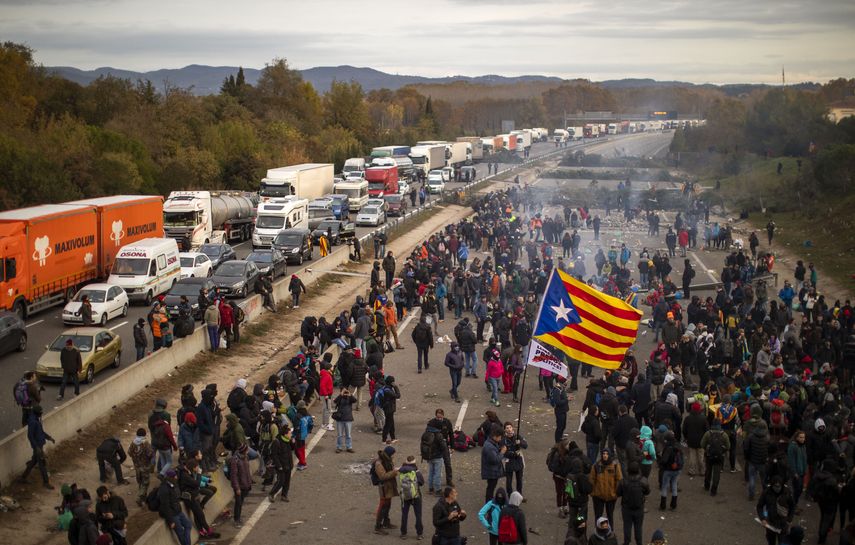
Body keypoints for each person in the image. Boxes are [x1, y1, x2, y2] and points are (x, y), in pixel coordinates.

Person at [19, 404, 55, 489]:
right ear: (36, 413)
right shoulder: (33, 422)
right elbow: (30, 436)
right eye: (40, 413)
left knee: (33, 462)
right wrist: (36, 447)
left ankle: (23, 478)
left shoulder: (36, 420)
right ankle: (46, 482)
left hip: (39, 446)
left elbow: (41, 432)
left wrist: (49, 437)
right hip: (37, 447)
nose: (41, 414)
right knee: (42, 464)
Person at [616, 462, 649, 545]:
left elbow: (618, 493)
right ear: (638, 470)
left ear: (628, 470)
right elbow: (647, 491)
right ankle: (639, 543)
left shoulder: (623, 481)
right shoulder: (643, 480)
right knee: (638, 528)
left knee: (627, 527)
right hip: (639, 508)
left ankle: (626, 542)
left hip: (626, 508)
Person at [157, 469, 192, 545]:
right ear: (170, 477)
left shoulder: (171, 485)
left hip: (178, 511)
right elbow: (165, 506)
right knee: (180, 533)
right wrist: (171, 520)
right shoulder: (164, 489)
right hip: (173, 515)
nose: (176, 477)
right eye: (174, 476)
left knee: (188, 525)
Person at [758, 475, 795, 545]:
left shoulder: (787, 493)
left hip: (783, 525)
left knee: (782, 543)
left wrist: (789, 519)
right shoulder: (767, 493)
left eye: (779, 486)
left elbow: (792, 506)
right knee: (771, 542)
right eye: (775, 486)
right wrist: (762, 519)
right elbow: (759, 506)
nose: (777, 488)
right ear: (772, 485)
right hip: (770, 524)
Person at [590, 448, 622, 528]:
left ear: (610, 455)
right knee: (598, 516)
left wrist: (616, 493)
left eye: (607, 454)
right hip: (598, 496)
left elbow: (619, 480)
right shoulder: (596, 465)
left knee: (610, 515)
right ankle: (598, 532)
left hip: (611, 496)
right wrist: (593, 493)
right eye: (603, 454)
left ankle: (610, 533)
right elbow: (591, 480)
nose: (605, 455)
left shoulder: (615, 466)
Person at [397, 455, 426, 540]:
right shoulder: (416, 471)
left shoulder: (401, 470)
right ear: (414, 462)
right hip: (416, 495)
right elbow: (421, 482)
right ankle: (419, 534)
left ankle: (403, 533)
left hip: (404, 496)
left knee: (404, 515)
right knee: (418, 515)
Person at [374, 445, 400, 535]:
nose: (393, 456)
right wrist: (394, 472)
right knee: (382, 506)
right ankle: (377, 526)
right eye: (392, 454)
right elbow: (382, 476)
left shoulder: (386, 460)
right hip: (384, 487)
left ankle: (386, 522)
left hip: (388, 486)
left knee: (387, 505)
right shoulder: (379, 463)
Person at [700, 420, 730, 496]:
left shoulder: (708, 433)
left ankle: (707, 486)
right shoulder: (724, 435)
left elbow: (702, 444)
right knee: (717, 473)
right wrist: (722, 450)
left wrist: (707, 449)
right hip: (720, 456)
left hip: (709, 455)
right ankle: (714, 490)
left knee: (708, 471)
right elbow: (728, 446)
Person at [128, 428, 154, 506]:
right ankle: (140, 497)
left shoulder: (133, 442)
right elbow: (150, 454)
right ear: (144, 434)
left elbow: (129, 452)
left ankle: (143, 498)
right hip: (145, 466)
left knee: (140, 482)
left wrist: (135, 458)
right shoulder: (145, 443)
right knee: (145, 483)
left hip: (137, 466)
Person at [268, 424, 294, 502]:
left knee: (287, 481)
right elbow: (274, 455)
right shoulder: (277, 442)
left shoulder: (288, 440)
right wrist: (279, 465)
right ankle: (272, 494)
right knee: (281, 481)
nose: (291, 435)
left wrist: (293, 443)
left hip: (288, 464)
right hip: (281, 466)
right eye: (290, 433)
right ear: (285, 434)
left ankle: (284, 495)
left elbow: (292, 449)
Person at [228, 443, 252, 528]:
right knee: (238, 503)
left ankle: (238, 517)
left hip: (245, 485)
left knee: (241, 502)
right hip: (239, 486)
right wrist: (237, 488)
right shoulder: (235, 460)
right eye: (247, 449)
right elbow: (233, 476)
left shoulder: (245, 457)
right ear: (244, 451)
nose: (248, 451)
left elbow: (247, 472)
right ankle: (236, 520)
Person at [482, 425, 506, 502]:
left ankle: (489, 502)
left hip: (492, 470)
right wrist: (502, 452)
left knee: (491, 487)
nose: (500, 439)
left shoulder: (491, 442)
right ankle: (488, 503)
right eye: (500, 437)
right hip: (491, 472)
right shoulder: (489, 447)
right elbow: (495, 460)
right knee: (491, 488)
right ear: (495, 436)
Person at [502, 422, 527, 495]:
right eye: (507, 428)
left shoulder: (517, 436)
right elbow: (503, 452)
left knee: (519, 480)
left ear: (512, 428)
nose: (509, 429)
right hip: (509, 462)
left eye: (510, 427)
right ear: (504, 430)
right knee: (509, 481)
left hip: (518, 461)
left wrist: (519, 443)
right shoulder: (503, 439)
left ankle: (519, 495)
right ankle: (510, 496)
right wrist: (513, 454)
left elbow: (525, 445)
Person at [657, 433, 681, 510]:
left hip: (668, 470)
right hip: (677, 469)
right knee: (674, 485)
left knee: (664, 486)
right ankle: (673, 505)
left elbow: (664, 460)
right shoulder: (678, 446)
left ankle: (663, 506)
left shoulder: (668, 448)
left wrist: (660, 461)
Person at [333, 387, 356, 453]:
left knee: (348, 435)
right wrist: (341, 394)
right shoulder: (340, 397)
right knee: (339, 435)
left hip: (348, 418)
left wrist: (350, 394)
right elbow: (335, 401)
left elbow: (355, 400)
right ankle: (339, 447)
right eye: (344, 391)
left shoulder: (350, 398)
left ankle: (349, 447)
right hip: (340, 419)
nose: (345, 393)